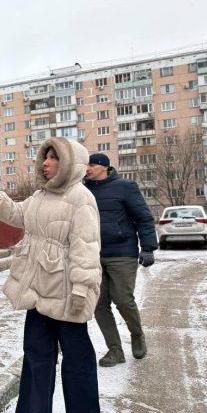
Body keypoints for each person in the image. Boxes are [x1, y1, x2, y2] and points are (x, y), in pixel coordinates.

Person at [0, 137, 102, 413]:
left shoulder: (81, 198)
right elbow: (17, 214)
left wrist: (82, 288)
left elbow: (87, 247)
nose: (46, 163)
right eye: (45, 157)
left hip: (67, 294)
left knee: (77, 365)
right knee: (36, 361)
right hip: (37, 292)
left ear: (70, 164)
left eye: (54, 158)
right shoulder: (41, 195)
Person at [84, 153, 157, 367]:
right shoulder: (83, 190)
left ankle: (137, 334)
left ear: (104, 167)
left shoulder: (125, 187)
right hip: (93, 255)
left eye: (92, 164)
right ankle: (115, 350)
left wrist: (148, 248)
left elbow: (144, 218)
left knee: (123, 300)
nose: (87, 168)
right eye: (86, 164)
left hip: (122, 253)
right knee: (99, 304)